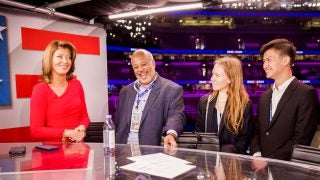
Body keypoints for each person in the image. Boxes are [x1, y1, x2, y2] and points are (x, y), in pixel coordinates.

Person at [251, 38, 319, 161]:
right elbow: (257, 131)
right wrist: (257, 154)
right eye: (263, 61)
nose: (264, 65)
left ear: (285, 60)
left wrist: (270, 161)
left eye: (269, 60)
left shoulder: (306, 93)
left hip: (286, 169)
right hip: (261, 169)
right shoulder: (264, 97)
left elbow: (301, 140)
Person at [114, 49, 186, 147]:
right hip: (123, 150)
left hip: (150, 151)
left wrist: (171, 133)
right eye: (136, 67)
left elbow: (176, 115)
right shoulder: (125, 92)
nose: (140, 70)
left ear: (153, 63)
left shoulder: (172, 90)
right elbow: (117, 123)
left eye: (143, 64)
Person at [30, 40, 90, 142]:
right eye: (60, 57)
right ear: (49, 60)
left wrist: (81, 128)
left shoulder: (77, 85)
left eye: (69, 57)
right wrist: (67, 133)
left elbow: (85, 117)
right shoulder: (40, 90)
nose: (66, 61)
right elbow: (35, 130)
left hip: (78, 148)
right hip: (52, 151)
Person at [196, 56, 253, 154]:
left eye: (217, 75)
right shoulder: (204, 102)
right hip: (208, 161)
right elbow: (199, 133)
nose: (212, 79)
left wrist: (230, 157)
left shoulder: (244, 104)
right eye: (212, 74)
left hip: (232, 163)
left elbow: (245, 138)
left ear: (230, 79)